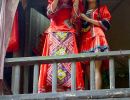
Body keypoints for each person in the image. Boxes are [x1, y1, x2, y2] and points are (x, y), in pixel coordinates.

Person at [38, 0, 84, 93]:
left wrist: (76, 2)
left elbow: (75, 17)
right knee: (52, 64)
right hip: (54, 33)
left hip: (68, 33)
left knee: (69, 64)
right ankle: (52, 90)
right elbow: (50, 13)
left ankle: (68, 90)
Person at [80, 0, 111, 89]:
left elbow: (106, 25)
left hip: (97, 36)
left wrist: (88, 19)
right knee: (88, 69)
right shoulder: (82, 11)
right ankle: (93, 93)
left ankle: (96, 95)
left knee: (96, 68)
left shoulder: (102, 9)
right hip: (85, 39)